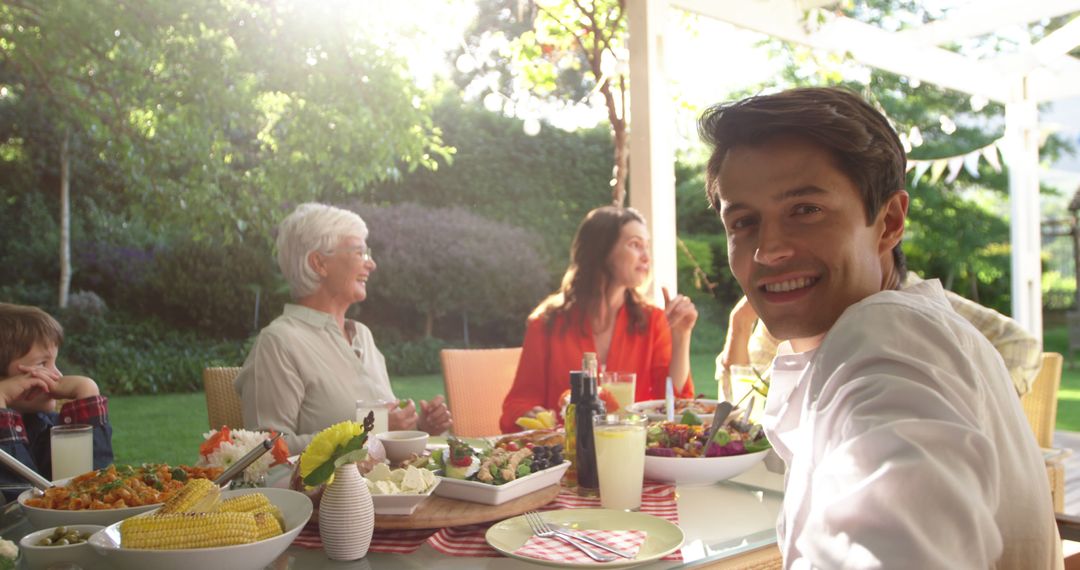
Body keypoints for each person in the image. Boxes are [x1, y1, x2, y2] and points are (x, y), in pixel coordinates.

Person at [699, 87, 1057, 567]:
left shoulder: (887, 339)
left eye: (805, 210)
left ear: (889, 221)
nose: (768, 249)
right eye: (743, 221)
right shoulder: (882, 334)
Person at [235, 203, 452, 453]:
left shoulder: (363, 335)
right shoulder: (279, 342)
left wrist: (418, 426)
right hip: (329, 493)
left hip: (386, 488)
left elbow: (383, 439)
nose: (371, 264)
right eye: (359, 252)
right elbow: (268, 451)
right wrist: (370, 429)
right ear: (319, 263)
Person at [499, 205, 698, 433]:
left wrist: (682, 336)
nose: (646, 256)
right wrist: (528, 414)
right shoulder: (547, 323)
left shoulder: (652, 320)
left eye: (647, 247)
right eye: (635, 244)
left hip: (632, 452)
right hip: (568, 457)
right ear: (602, 251)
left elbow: (674, 404)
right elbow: (517, 404)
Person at [718, 271, 1042, 398]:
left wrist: (967, 401)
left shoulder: (914, 300)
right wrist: (740, 324)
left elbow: (1020, 345)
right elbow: (739, 406)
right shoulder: (790, 307)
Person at [0, 304, 113, 500]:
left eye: (54, 362)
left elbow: (93, 492)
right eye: (42, 364)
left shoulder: (43, 423)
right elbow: (18, 504)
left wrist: (87, 391)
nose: (58, 375)